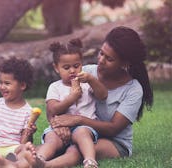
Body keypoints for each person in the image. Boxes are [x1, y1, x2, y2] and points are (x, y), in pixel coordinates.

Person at [41, 26, 154, 168]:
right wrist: (58, 126)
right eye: (101, 53)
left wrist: (78, 120)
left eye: (109, 59)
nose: (101, 60)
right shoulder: (85, 72)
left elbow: (114, 128)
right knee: (54, 145)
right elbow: (53, 107)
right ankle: (22, 160)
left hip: (114, 141)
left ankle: (45, 166)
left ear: (124, 64)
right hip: (81, 133)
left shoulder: (133, 89)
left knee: (77, 149)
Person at [35, 39, 107, 168]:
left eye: (76, 65)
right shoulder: (55, 87)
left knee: (82, 134)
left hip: (84, 127)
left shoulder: (86, 84)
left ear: (81, 64)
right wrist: (72, 98)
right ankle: (39, 159)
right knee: (51, 139)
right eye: (66, 67)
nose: (72, 71)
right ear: (56, 68)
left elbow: (103, 95)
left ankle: (90, 161)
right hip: (60, 128)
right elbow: (53, 109)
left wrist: (91, 79)